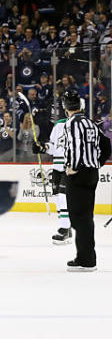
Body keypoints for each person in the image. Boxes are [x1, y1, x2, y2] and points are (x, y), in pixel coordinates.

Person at [60, 90, 108, 271]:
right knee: (86, 217)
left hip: (78, 175)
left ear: (65, 107)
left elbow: (75, 147)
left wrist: (74, 167)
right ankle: (86, 257)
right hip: (91, 174)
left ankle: (86, 260)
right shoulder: (90, 122)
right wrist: (97, 164)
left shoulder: (71, 123)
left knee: (79, 219)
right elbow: (106, 145)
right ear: (80, 105)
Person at [34, 112, 71, 244]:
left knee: (63, 197)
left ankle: (65, 228)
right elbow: (52, 146)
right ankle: (67, 226)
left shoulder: (81, 124)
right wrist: (42, 148)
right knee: (57, 198)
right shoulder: (59, 124)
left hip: (70, 167)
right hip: (57, 167)